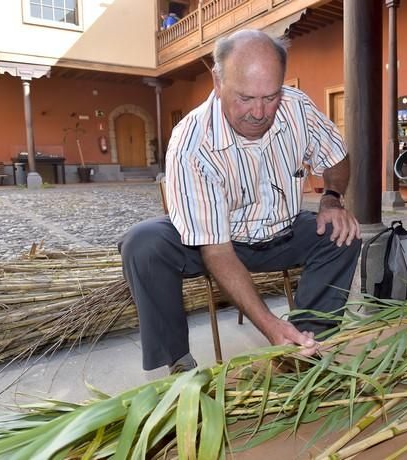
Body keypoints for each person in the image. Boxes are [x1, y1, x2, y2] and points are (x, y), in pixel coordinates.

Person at [119, 29, 361, 373]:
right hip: (216, 243)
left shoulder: (297, 107)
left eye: (271, 96)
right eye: (245, 98)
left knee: (343, 235)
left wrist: (332, 199)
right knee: (143, 244)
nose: (260, 112)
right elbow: (217, 251)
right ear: (218, 81)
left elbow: (337, 157)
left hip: (282, 231)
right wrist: (269, 325)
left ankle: (305, 345)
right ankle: (177, 361)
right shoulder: (191, 143)